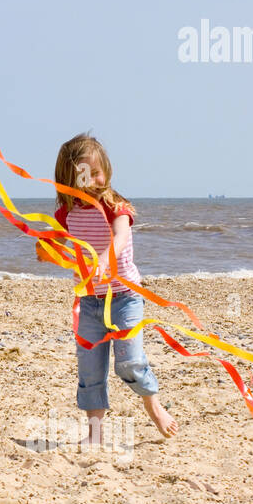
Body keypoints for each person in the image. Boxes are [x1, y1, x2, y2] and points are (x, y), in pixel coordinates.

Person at [36, 133, 177, 443]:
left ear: (106, 172)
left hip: (125, 298)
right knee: (89, 370)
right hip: (88, 303)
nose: (91, 181)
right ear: (68, 180)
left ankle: (153, 406)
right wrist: (46, 249)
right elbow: (59, 245)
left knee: (129, 362)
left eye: (96, 173)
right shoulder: (66, 215)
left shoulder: (116, 205)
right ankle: (95, 433)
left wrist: (104, 258)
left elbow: (121, 236)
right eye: (82, 175)